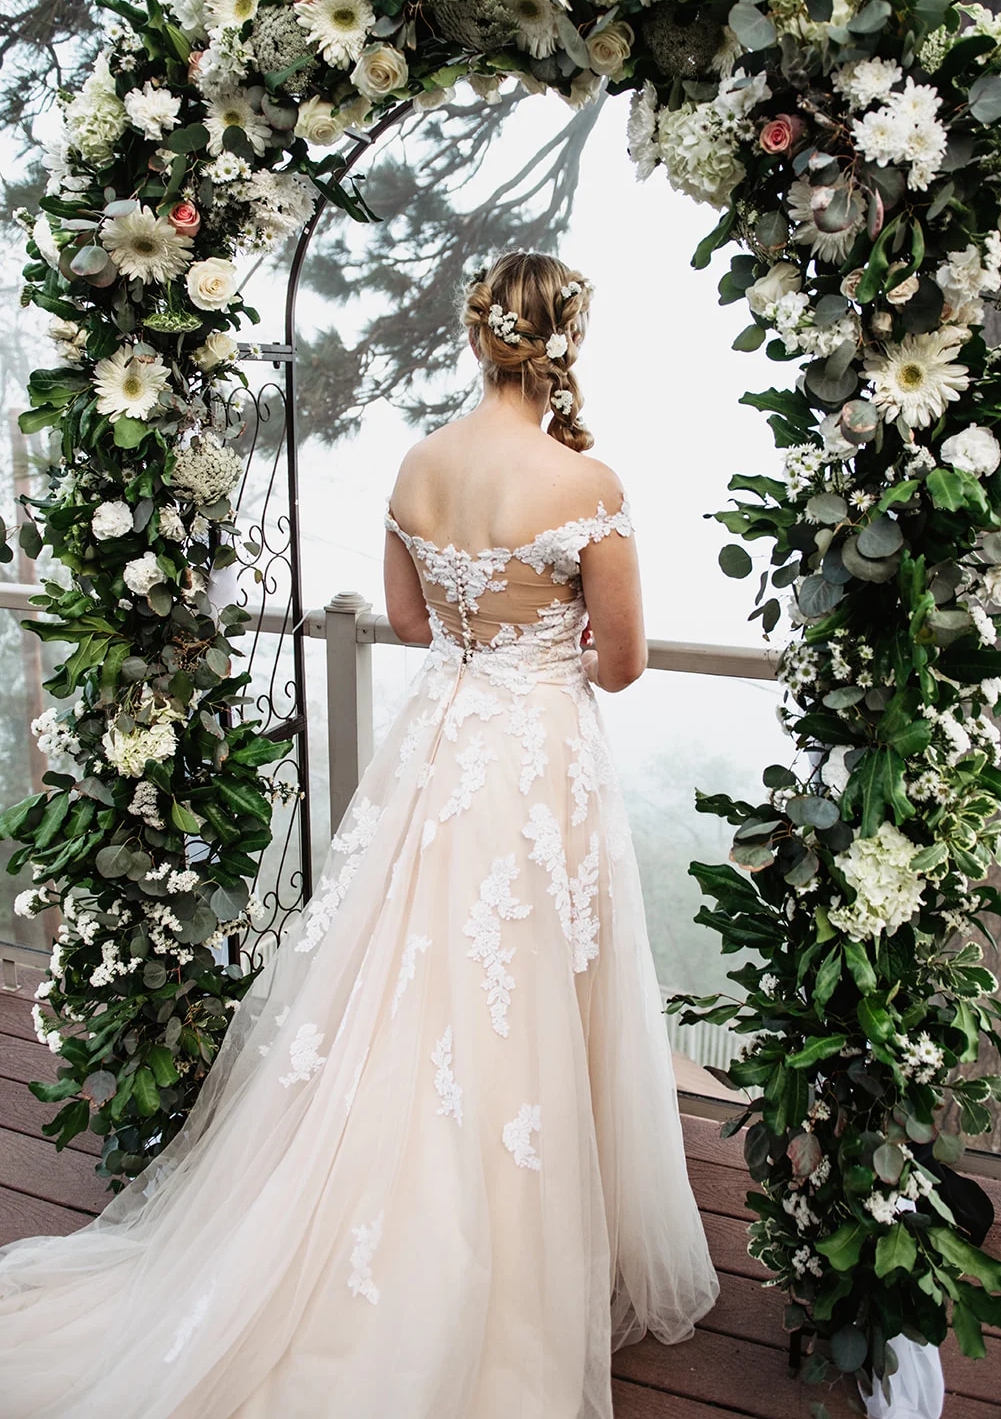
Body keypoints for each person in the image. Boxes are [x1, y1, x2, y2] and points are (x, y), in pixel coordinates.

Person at [0, 249, 719, 1417]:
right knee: (529, 988)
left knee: (411, 989)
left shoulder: (416, 465)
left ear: (480, 334)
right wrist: (552, 642)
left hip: (438, 747)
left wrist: (486, 637)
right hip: (535, 757)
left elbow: (401, 616)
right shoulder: (588, 484)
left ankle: (386, 1215)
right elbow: (626, 664)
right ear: (562, 342)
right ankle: (515, 1260)